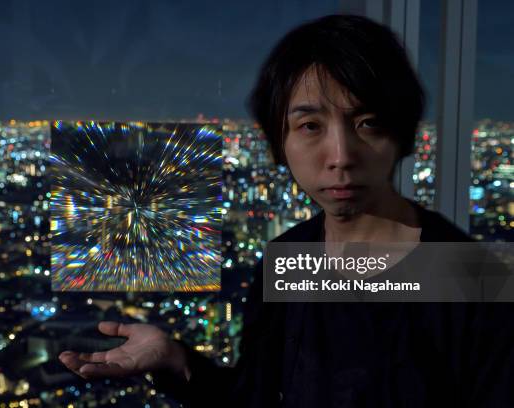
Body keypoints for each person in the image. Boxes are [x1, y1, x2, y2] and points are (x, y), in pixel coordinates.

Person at [60, 15, 514, 407]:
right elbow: (256, 398)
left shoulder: (473, 277)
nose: (340, 155)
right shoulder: (290, 258)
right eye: (310, 126)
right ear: (281, 142)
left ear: (402, 134)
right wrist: (176, 360)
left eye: (368, 123)